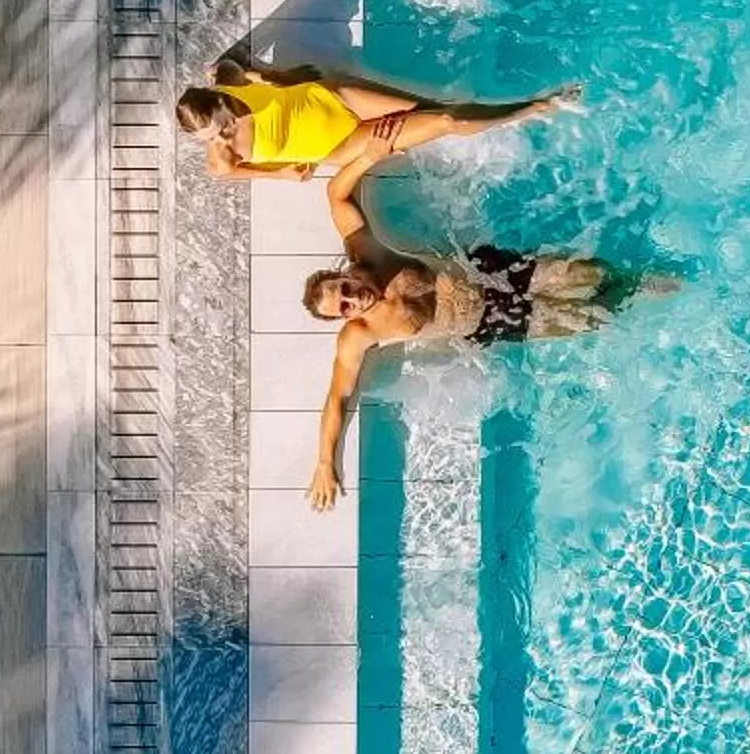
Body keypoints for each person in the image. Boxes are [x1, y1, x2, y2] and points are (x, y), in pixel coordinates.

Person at [299, 143, 664, 509]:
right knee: (587, 318)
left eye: (344, 289)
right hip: (489, 320)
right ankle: (646, 294)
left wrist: (368, 153)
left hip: (488, 273)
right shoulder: (359, 335)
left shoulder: (366, 252)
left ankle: (646, 279)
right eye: (344, 308)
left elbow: (335, 193)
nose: (353, 299)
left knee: (589, 274)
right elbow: (338, 397)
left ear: (341, 273)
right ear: (344, 318)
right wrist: (324, 463)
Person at [175, 58, 574, 181]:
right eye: (212, 137)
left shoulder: (228, 85)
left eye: (221, 124)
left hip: (334, 98)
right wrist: (278, 175)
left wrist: (283, 77)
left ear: (219, 100)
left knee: (430, 107)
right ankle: (533, 108)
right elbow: (226, 174)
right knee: (447, 121)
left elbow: (232, 67)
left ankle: (509, 110)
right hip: (339, 145)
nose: (223, 135)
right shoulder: (221, 152)